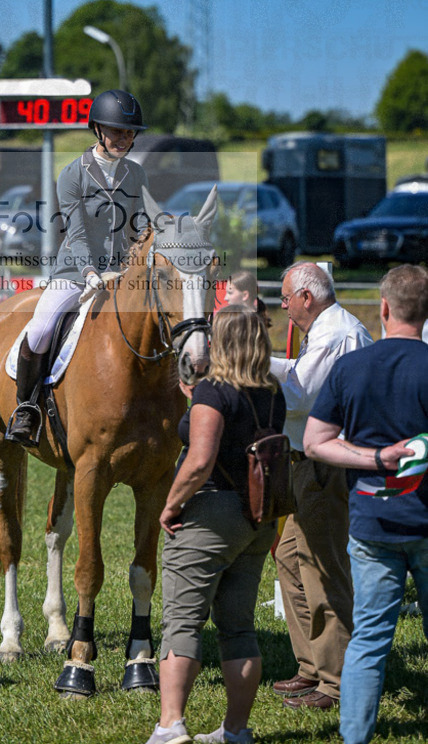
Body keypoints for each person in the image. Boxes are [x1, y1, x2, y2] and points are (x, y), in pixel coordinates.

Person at [144, 307, 286, 744]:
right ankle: (236, 730)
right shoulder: (273, 391)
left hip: (209, 516)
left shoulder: (215, 391)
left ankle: (171, 725)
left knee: (182, 623)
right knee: (239, 627)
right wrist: (198, 399)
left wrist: (170, 506)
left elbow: (200, 461)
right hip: (257, 519)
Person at [303, 264, 428, 744]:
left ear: (383, 308)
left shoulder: (350, 368)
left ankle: (355, 737)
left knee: (370, 641)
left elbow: (316, 443)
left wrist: (375, 458)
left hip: (373, 525)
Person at [5, 89, 148, 447]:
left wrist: (141, 254)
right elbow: (78, 231)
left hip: (124, 273)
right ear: (97, 129)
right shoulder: (73, 175)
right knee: (41, 328)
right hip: (75, 271)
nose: (124, 139)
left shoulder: (136, 174)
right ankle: (26, 409)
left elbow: (139, 226)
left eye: (129, 133)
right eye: (117, 132)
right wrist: (90, 273)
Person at [270, 262, 373, 710]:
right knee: (292, 561)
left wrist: (252, 365)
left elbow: (298, 393)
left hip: (324, 467)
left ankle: (335, 682)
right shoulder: (331, 330)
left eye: (287, 297)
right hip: (308, 465)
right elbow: (301, 378)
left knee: (322, 571)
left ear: (307, 298)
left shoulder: (335, 335)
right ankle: (313, 665)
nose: (283, 305)